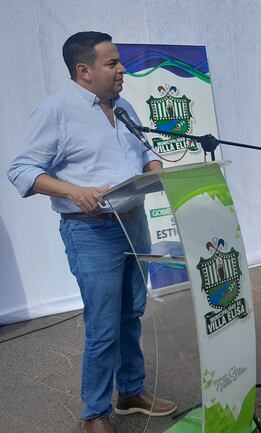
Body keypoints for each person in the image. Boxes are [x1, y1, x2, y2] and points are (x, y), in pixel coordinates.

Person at [6, 32, 176, 433]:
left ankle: (130, 392)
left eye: (119, 62)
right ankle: (95, 413)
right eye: (112, 63)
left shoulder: (125, 107)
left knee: (131, 313)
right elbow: (21, 170)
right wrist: (73, 191)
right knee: (103, 325)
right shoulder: (54, 111)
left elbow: (144, 152)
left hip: (134, 223)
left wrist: (154, 168)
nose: (122, 70)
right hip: (91, 232)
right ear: (83, 70)